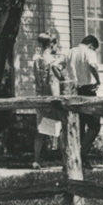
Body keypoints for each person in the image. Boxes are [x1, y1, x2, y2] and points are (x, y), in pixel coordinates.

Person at [66, 35, 102, 165]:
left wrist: (66, 81)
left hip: (74, 90)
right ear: (91, 45)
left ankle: (78, 156)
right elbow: (92, 65)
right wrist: (98, 79)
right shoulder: (89, 52)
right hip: (88, 89)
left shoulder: (70, 51)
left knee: (80, 124)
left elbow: (58, 67)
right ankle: (82, 153)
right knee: (94, 124)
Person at [31, 32, 64, 169]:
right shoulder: (52, 61)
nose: (57, 46)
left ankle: (36, 159)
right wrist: (57, 99)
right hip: (51, 96)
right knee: (61, 128)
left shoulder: (37, 60)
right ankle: (65, 160)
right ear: (52, 44)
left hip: (40, 96)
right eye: (56, 43)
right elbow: (52, 81)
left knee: (40, 129)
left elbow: (37, 80)